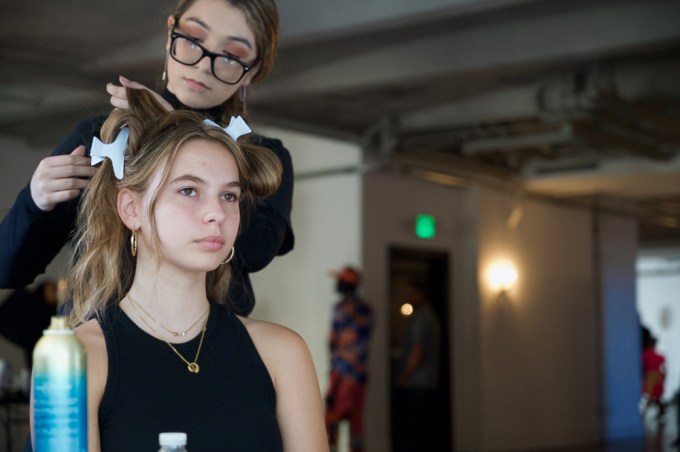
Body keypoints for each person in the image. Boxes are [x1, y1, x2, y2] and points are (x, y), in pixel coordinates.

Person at [29, 88, 327, 451]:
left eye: (229, 195)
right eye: (189, 190)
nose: (217, 212)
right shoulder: (75, 361)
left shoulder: (283, 353)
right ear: (131, 209)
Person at [0, 0, 293, 317]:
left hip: (209, 350)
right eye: (193, 40)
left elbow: (257, 251)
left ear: (254, 71)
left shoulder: (263, 158)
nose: (203, 65)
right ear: (170, 34)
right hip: (99, 343)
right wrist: (33, 201)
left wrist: (171, 124)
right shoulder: (102, 139)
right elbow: (8, 270)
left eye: (231, 56)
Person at [324, 266, 373, 452]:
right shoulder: (367, 310)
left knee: (332, 422)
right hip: (359, 377)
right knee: (356, 423)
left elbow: (332, 342)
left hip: (342, 376)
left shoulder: (339, 309)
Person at [394, 280, 443, 452]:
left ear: (420, 293)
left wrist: (404, 377)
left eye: (410, 293)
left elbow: (418, 350)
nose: (408, 297)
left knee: (417, 433)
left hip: (419, 385)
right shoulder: (426, 315)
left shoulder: (423, 317)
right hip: (424, 384)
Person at [0, 280, 58, 368]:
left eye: (54, 291)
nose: (53, 295)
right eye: (50, 291)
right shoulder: (27, 303)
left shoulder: (54, 315)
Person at [641, 329, 666, 424]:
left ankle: (645, 414)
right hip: (656, 376)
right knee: (654, 397)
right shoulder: (653, 355)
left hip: (652, 376)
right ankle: (660, 412)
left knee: (651, 396)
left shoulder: (647, 354)